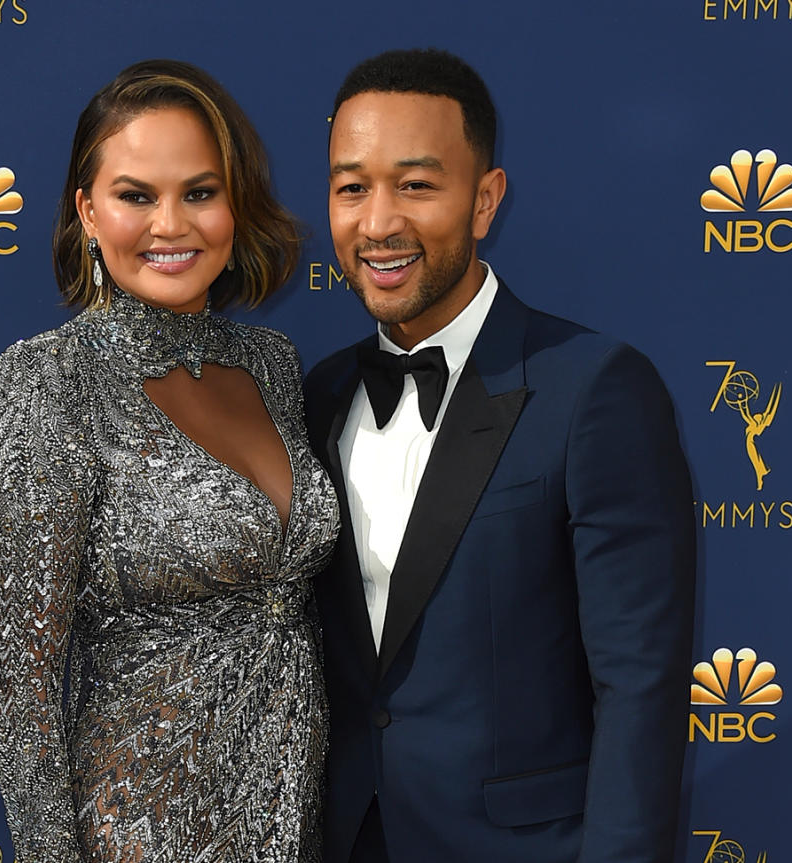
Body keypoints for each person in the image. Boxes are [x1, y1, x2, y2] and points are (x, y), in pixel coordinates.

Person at [303, 48, 695, 863]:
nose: (378, 223)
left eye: (416, 185)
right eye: (351, 187)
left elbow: (639, 688)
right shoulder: (318, 395)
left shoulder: (594, 389)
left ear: (485, 201)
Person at [0, 59, 339, 863]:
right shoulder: (52, 378)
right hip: (143, 829)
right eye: (136, 195)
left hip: (293, 820)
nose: (170, 224)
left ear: (234, 205)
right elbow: (24, 684)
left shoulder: (272, 362)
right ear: (88, 211)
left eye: (200, 193)